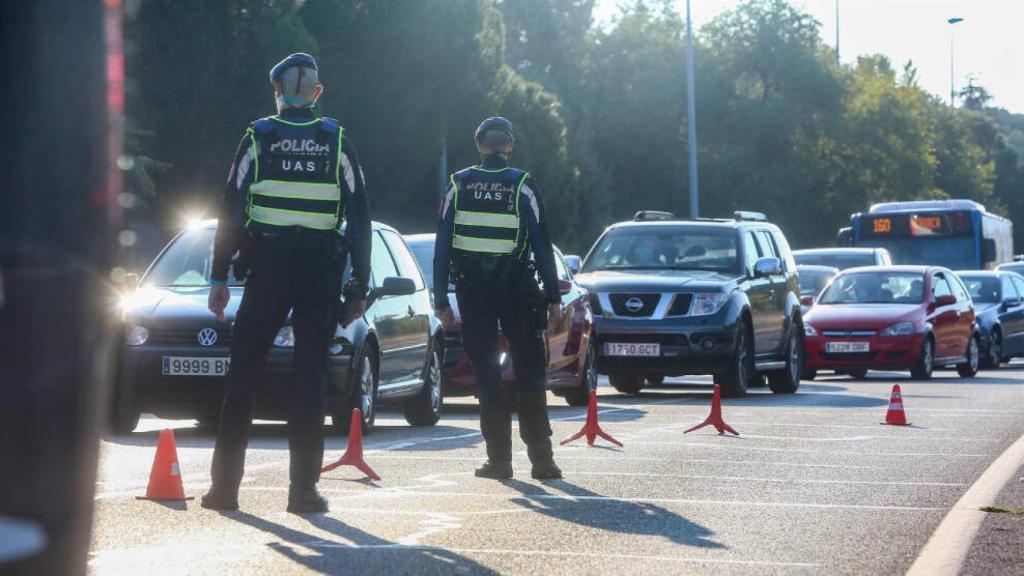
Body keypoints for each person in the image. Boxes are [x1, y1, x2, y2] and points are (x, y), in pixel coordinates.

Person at [201, 53, 371, 513]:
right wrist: (358, 288)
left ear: (276, 92)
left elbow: (230, 207)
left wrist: (219, 275)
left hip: (268, 268)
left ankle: (224, 490)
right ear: (317, 94)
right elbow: (359, 219)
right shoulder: (337, 141)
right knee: (309, 380)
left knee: (243, 376)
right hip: (320, 273)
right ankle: (302, 492)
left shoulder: (258, 137)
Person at [433, 116, 563, 480]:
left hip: (473, 292)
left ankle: (499, 461)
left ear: (479, 146)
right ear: (509, 146)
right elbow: (542, 245)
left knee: (486, 374)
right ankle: (542, 460)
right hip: (518, 289)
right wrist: (553, 298)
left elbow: (443, 245)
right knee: (529, 374)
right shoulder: (523, 185)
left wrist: (440, 297)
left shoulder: (458, 185)